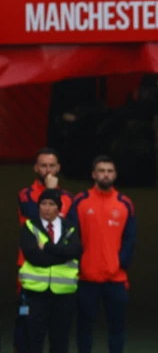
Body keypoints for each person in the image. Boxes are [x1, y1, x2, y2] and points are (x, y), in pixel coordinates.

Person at [68, 155, 136, 353]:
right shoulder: (79, 201)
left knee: (117, 329)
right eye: (101, 171)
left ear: (115, 175)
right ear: (93, 174)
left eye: (109, 171)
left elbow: (130, 239)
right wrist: (80, 264)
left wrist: (119, 263)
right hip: (86, 277)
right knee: (84, 328)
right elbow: (71, 236)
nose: (105, 175)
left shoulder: (125, 203)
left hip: (116, 278)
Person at [15, 147, 74, 353]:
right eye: (43, 165)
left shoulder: (68, 197)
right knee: (27, 330)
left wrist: (56, 192)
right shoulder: (26, 195)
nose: (47, 170)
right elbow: (39, 217)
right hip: (31, 273)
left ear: (58, 168)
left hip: (60, 276)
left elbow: (68, 227)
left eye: (51, 165)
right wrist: (52, 191)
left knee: (59, 332)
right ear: (35, 168)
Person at [20, 189, 82, 353]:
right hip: (35, 293)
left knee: (60, 339)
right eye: (43, 204)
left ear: (59, 208)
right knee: (32, 338)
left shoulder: (71, 228)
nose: (46, 208)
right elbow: (34, 256)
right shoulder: (29, 226)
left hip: (64, 294)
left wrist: (47, 247)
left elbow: (75, 251)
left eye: (51, 204)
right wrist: (62, 255)